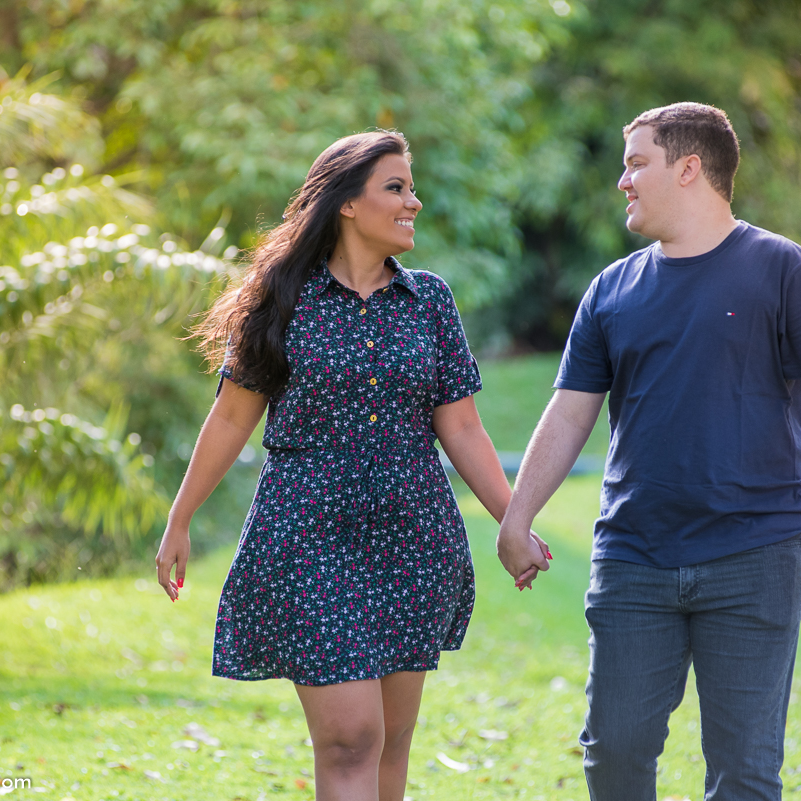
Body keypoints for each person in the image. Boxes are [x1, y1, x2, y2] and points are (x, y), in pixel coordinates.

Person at [496, 102, 801, 800]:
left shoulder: (783, 269)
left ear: (689, 167)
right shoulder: (611, 291)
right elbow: (568, 414)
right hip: (634, 556)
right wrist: (517, 516)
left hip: (756, 553)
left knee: (745, 771)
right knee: (614, 753)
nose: (623, 181)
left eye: (637, 162)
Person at [154, 130, 548, 801]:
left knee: (391, 744)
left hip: (413, 537)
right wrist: (180, 517)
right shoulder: (281, 299)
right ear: (345, 204)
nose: (413, 203)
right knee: (349, 737)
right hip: (307, 535)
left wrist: (514, 521)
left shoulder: (431, 304)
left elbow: (461, 426)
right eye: (396, 188)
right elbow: (229, 417)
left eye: (411, 188)